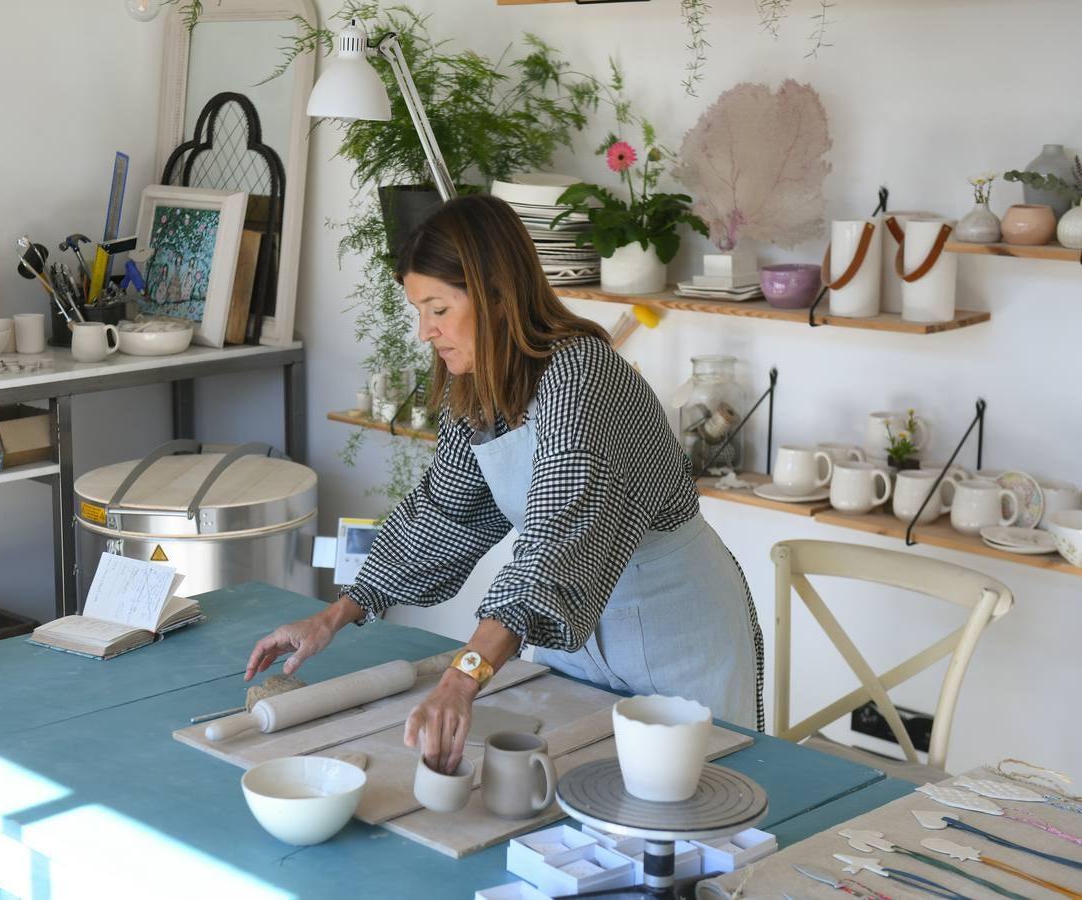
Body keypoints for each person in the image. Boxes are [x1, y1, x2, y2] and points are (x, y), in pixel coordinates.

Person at [245, 194, 762, 776]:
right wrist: (335, 614)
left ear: (495, 293)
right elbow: (442, 517)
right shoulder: (480, 394)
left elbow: (557, 539)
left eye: (437, 308)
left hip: (677, 629)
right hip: (580, 635)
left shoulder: (583, 375)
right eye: (419, 311)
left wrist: (463, 676)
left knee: (695, 812)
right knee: (579, 795)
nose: (424, 331)